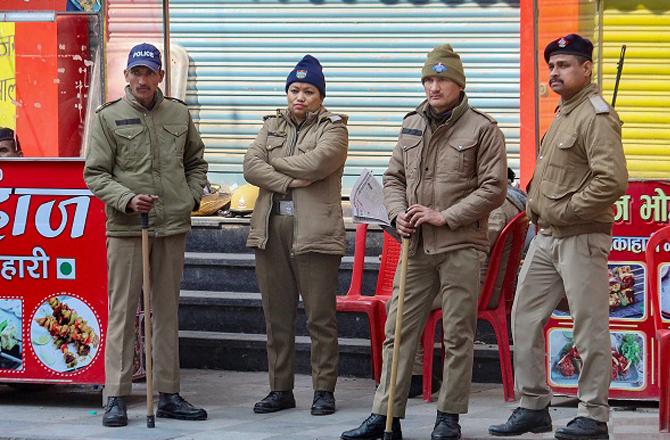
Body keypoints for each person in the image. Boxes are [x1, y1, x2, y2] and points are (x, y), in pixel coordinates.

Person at [342, 43, 507, 440]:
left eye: (442, 79)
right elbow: (394, 177)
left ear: (458, 83)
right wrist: (398, 212)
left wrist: (444, 216)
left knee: (458, 333)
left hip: (461, 246)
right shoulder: (412, 123)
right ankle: (386, 416)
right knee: (398, 332)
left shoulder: (483, 129)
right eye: (428, 80)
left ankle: (448, 416)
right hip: (415, 248)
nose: (434, 87)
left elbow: (494, 189)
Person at [488, 33, 627, 440]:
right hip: (546, 238)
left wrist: (564, 210)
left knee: (589, 326)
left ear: (586, 68)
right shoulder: (565, 113)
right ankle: (533, 405)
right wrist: (534, 208)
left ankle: (593, 414)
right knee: (524, 318)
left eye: (564, 65)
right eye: (551, 66)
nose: (555, 72)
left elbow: (611, 180)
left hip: (581, 237)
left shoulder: (596, 116)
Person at [84, 43, 209, 428]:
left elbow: (196, 162)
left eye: (148, 72)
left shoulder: (179, 113)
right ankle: (116, 396)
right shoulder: (109, 118)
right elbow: (95, 174)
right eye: (135, 72)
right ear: (126, 77)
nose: (142, 79)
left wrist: (189, 197)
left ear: (160, 76)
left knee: (166, 310)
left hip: (171, 227)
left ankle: (168, 392)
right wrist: (127, 198)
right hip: (126, 229)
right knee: (122, 311)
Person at [243, 55, 348, 416]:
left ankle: (323, 389)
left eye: (307, 91)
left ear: (320, 96)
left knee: (320, 317)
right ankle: (280, 388)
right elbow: (249, 165)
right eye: (294, 90)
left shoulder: (335, 129)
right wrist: (286, 179)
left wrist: (271, 164)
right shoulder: (271, 125)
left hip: (315, 232)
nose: (299, 97)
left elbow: (318, 164)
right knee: (277, 316)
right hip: (271, 229)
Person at [407, 167, 526, 398]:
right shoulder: (514, 204)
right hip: (490, 285)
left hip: (480, 286)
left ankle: (418, 374)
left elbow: (475, 249)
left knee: (406, 300)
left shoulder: (497, 209)